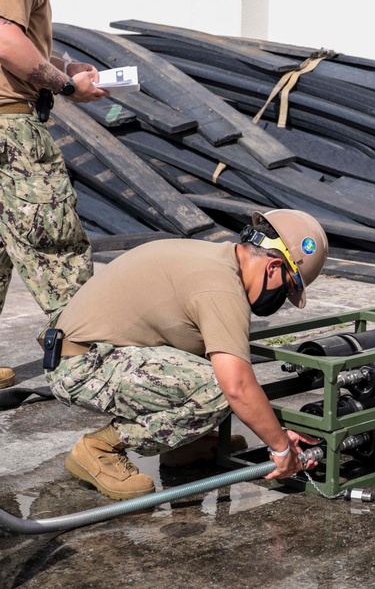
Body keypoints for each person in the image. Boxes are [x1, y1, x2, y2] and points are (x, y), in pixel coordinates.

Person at [47, 209, 329, 500]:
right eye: (289, 288)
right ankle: (101, 448)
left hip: (87, 351)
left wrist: (275, 432)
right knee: (220, 385)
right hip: (81, 365)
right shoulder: (221, 287)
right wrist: (280, 448)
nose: (282, 299)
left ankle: (181, 444)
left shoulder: (214, 260)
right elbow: (237, 388)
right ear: (272, 268)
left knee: (215, 360)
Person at [0, 0, 107, 391]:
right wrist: (66, 86)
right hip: (10, 126)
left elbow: (17, 41)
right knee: (55, 242)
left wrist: (65, 65)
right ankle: (92, 363)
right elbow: (4, 41)